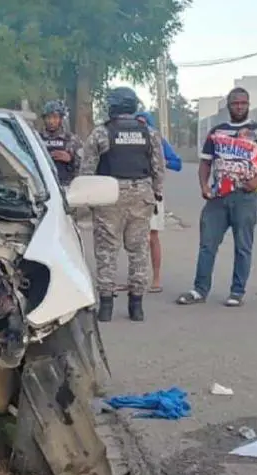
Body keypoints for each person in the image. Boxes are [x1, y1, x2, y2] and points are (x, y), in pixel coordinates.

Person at [176, 87, 257, 307]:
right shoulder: (217, 132)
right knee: (207, 244)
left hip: (246, 196)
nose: (240, 106)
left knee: (243, 245)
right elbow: (205, 162)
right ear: (229, 106)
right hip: (218, 197)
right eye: (235, 103)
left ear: (248, 104)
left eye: (243, 103)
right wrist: (204, 185)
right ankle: (199, 289)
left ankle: (237, 292)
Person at [80, 87, 165, 322]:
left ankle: (105, 307)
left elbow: (87, 169)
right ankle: (136, 307)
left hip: (110, 195)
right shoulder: (150, 133)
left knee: (106, 251)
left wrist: (86, 200)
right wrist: (156, 193)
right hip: (142, 195)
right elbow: (159, 168)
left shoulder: (101, 133)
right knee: (138, 250)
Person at [135, 111, 182, 293]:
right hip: (132, 193)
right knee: (134, 238)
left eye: (143, 123)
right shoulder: (129, 141)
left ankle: (156, 278)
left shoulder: (158, 140)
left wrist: (159, 161)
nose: (141, 127)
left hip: (153, 193)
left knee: (152, 237)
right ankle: (138, 277)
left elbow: (177, 164)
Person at [39, 100, 82, 185]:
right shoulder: (37, 139)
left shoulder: (72, 140)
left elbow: (85, 164)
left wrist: (71, 159)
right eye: (48, 117)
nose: (51, 121)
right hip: (43, 186)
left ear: (60, 119)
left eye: (55, 117)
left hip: (65, 186)